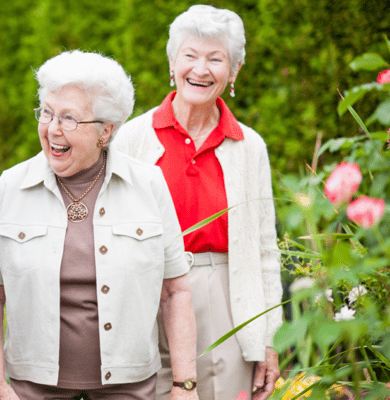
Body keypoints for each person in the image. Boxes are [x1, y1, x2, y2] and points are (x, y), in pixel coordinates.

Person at [0, 50, 199, 400]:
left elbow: (174, 291)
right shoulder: (12, 186)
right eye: (46, 113)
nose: (52, 129)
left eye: (69, 118)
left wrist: (185, 385)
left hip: (128, 387)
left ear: (105, 131)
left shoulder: (148, 184)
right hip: (33, 389)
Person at [113, 5, 283, 400]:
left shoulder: (249, 146)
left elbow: (264, 250)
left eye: (215, 58)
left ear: (234, 71)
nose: (200, 69)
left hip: (222, 296)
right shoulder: (131, 139)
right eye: (190, 55)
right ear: (172, 62)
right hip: (145, 294)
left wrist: (268, 338)